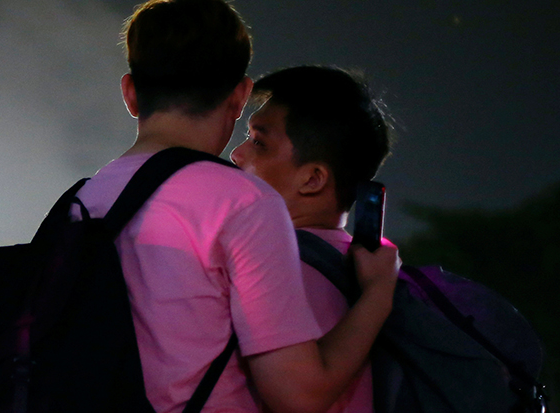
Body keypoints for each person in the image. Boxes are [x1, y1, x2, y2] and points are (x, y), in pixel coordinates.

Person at [73, 1, 401, 412]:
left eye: (259, 141)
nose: (238, 154)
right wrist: (377, 296)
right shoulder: (244, 205)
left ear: (130, 93)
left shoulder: (85, 198)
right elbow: (298, 395)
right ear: (240, 94)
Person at [229, 65, 396, 413]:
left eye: (259, 142)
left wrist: (379, 296)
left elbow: (299, 398)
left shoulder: (277, 265)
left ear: (313, 179)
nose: (238, 154)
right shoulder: (365, 268)